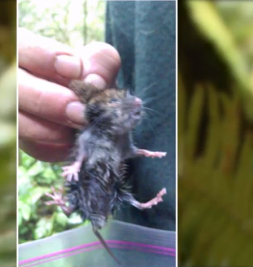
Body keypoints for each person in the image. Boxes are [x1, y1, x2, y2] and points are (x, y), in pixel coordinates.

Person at [19, 1, 175, 233]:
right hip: (135, 235)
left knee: (112, 193)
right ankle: (76, 206)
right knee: (91, 191)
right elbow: (107, 67)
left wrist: (147, 152)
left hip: (151, 227)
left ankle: (139, 203)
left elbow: (129, 147)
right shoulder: (129, 8)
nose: (138, 102)